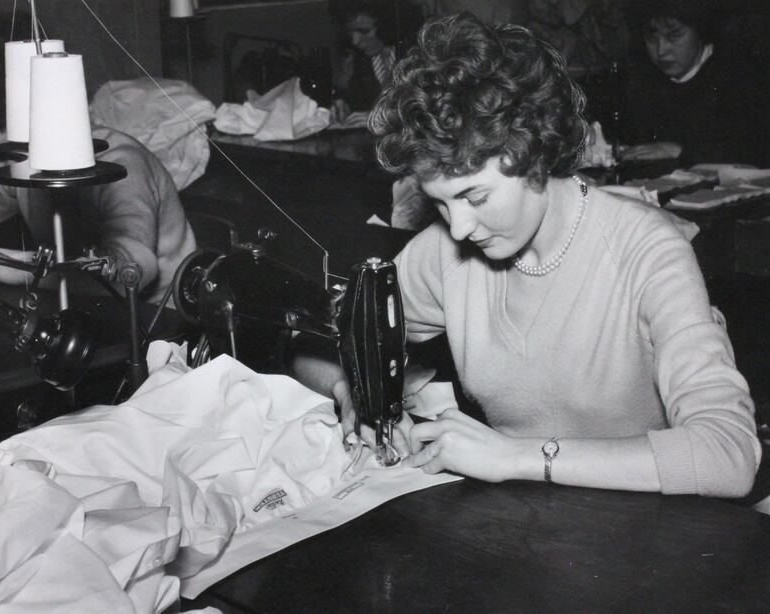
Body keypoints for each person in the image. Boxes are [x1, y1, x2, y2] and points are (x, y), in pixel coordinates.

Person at [294, 13, 760, 497]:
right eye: (441, 203)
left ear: (534, 153)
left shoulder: (647, 250)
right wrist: (353, 390)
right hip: (518, 523)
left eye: (475, 196)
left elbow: (728, 455)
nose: (459, 226)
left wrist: (514, 456)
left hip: (644, 523)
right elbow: (311, 343)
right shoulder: (446, 250)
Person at [0, 8, 196, 303]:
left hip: (155, 317)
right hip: (78, 304)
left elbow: (130, 275)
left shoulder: (122, 164)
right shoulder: (12, 160)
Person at [617, 0, 770, 167]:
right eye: (651, 38)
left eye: (674, 36)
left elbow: (754, 150)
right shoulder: (641, 81)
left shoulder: (741, 78)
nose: (661, 50)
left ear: (701, 32)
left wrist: (681, 152)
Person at [327, 0, 421, 124]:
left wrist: (382, 118)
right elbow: (357, 100)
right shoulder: (360, 60)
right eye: (350, 32)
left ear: (387, 26)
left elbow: (421, 107)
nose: (355, 41)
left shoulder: (414, 57)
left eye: (364, 31)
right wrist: (343, 103)